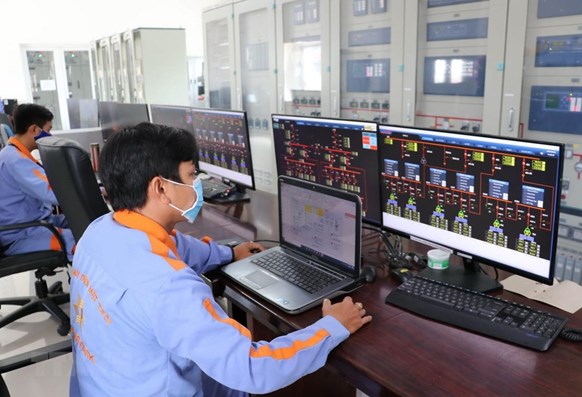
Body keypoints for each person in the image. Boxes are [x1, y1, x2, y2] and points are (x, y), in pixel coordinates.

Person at [69, 122, 372, 396]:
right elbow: (252, 369)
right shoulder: (169, 286)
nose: (197, 183)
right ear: (161, 187)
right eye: (192, 175)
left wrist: (229, 252)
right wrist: (331, 327)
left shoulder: (101, 231)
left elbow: (175, 246)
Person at [0, 103, 75, 258]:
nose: (50, 135)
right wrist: (95, 191)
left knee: (85, 224)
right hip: (20, 235)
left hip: (36, 223)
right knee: (80, 243)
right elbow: (53, 193)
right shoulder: (15, 160)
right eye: (48, 130)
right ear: (34, 130)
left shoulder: (13, 154)